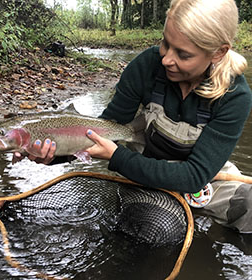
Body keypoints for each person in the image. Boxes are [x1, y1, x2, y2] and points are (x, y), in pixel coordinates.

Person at [14, 0, 252, 233]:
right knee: (156, 228)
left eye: (183, 54)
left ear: (218, 52)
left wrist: (117, 157)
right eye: (165, 43)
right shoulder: (147, 66)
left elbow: (195, 175)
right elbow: (105, 130)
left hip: (204, 175)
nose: (167, 59)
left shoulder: (235, 96)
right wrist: (52, 154)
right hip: (145, 175)